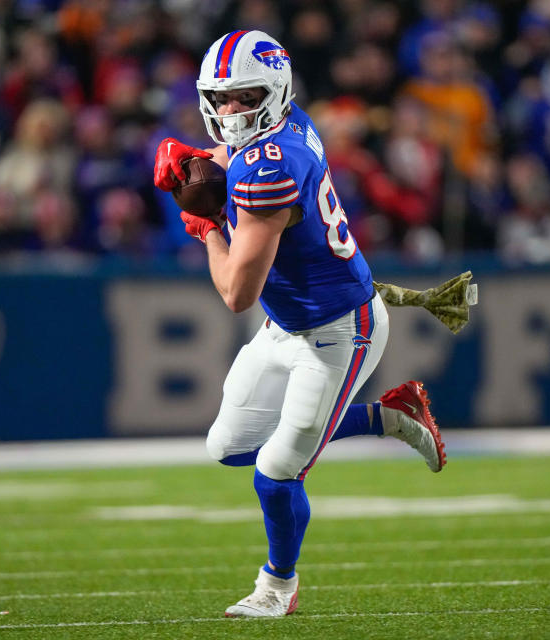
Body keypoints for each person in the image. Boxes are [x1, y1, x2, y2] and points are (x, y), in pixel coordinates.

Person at [152, 30, 446, 618]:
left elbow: (237, 292)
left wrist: (204, 225)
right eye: (223, 97)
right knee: (227, 447)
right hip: (287, 324)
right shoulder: (286, 126)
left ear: (275, 91)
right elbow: (238, 155)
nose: (232, 111)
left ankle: (277, 587)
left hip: (342, 331)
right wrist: (199, 163)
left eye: (246, 97)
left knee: (277, 469)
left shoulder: (272, 166)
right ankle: (389, 415)